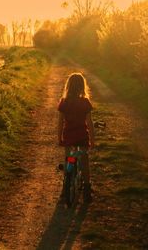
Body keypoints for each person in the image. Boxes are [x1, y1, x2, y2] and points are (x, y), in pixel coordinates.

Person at [58, 72, 94, 203]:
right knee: (84, 161)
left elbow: (60, 122)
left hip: (68, 136)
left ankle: (65, 187)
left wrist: (59, 138)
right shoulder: (85, 102)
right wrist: (92, 140)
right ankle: (87, 189)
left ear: (68, 86)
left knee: (69, 159)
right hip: (82, 136)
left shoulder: (64, 102)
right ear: (82, 87)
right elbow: (89, 123)